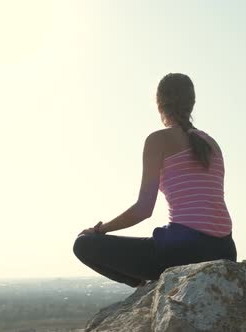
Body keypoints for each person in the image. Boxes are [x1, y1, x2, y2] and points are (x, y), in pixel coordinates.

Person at [72, 73, 237, 288]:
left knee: (83, 245)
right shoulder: (211, 144)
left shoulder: (157, 140)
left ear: (159, 104)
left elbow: (143, 209)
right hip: (225, 249)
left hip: (185, 251)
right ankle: (150, 285)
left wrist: (101, 230)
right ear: (192, 103)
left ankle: (143, 286)